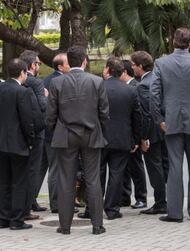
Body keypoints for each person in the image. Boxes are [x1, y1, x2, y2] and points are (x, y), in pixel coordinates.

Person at [150, 27, 190, 223]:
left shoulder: (161, 63)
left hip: (171, 121)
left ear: (173, 40)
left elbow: (154, 94)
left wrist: (159, 119)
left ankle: (175, 212)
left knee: (175, 166)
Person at [46, 46, 108, 235]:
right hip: (91, 134)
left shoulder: (57, 84)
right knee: (93, 179)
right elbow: (104, 113)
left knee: (66, 180)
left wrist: (53, 130)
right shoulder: (97, 82)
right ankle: (97, 225)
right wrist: (100, 131)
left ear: (69, 62)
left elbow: (50, 115)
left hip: (65, 135)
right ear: (84, 61)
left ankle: (65, 226)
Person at [0, 58, 35, 230]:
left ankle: (2, 218)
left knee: (2, 181)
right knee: (19, 181)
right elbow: (27, 120)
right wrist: (30, 140)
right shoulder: (22, 92)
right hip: (18, 143)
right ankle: (16, 220)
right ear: (23, 73)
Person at [99, 57, 142, 220]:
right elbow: (137, 117)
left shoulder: (98, 87)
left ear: (108, 70)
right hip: (122, 138)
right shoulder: (130, 90)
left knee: (97, 173)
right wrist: (136, 140)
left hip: (99, 137)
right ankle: (112, 209)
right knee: (117, 175)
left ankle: (93, 207)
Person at [131, 50, 169, 215]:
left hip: (153, 132)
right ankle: (168, 199)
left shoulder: (143, 85)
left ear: (140, 66)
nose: (132, 68)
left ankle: (161, 202)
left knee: (155, 168)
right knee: (166, 165)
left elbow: (146, 114)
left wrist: (144, 138)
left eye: (133, 64)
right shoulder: (160, 79)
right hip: (165, 129)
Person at [19, 50, 47, 219]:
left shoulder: (16, 81)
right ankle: (28, 204)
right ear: (32, 65)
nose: (39, 66)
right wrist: (46, 96)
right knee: (33, 169)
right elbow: (42, 107)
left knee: (23, 169)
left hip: (20, 132)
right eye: (38, 63)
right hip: (36, 132)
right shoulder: (36, 83)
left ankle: (29, 202)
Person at [41, 53, 70, 214]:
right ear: (60, 66)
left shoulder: (47, 80)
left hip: (50, 132)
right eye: (67, 63)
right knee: (56, 168)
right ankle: (56, 203)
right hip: (55, 132)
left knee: (53, 168)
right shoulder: (56, 82)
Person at [120, 59, 148, 209]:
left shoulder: (136, 87)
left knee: (136, 167)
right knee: (123, 168)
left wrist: (139, 138)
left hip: (133, 135)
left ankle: (141, 197)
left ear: (124, 72)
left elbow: (140, 115)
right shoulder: (123, 87)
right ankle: (124, 196)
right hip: (123, 135)